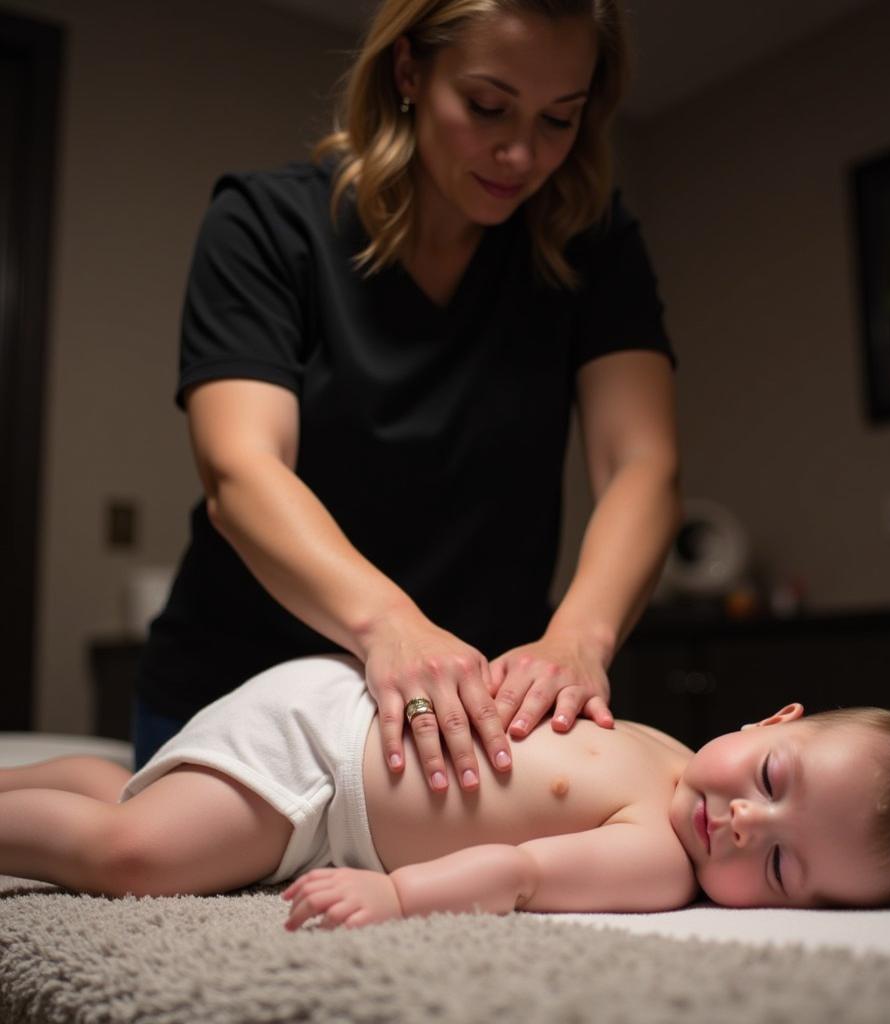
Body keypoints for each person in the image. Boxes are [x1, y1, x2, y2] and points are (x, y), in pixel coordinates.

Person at [134, 0, 681, 794]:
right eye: (487, 106)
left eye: (559, 120)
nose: (521, 152)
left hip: (469, 703)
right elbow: (241, 471)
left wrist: (580, 641)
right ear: (408, 72)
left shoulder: (590, 243)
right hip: (237, 688)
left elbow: (641, 462)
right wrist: (389, 625)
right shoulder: (267, 225)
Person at [0, 656, 890, 923]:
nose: (740, 822)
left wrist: (396, 889)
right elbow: (509, 869)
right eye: (768, 778)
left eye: (780, 862)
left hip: (321, 721)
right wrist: (395, 891)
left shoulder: (655, 858)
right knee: (132, 859)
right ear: (771, 724)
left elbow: (520, 870)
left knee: (139, 799)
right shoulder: (669, 760)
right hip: (319, 770)